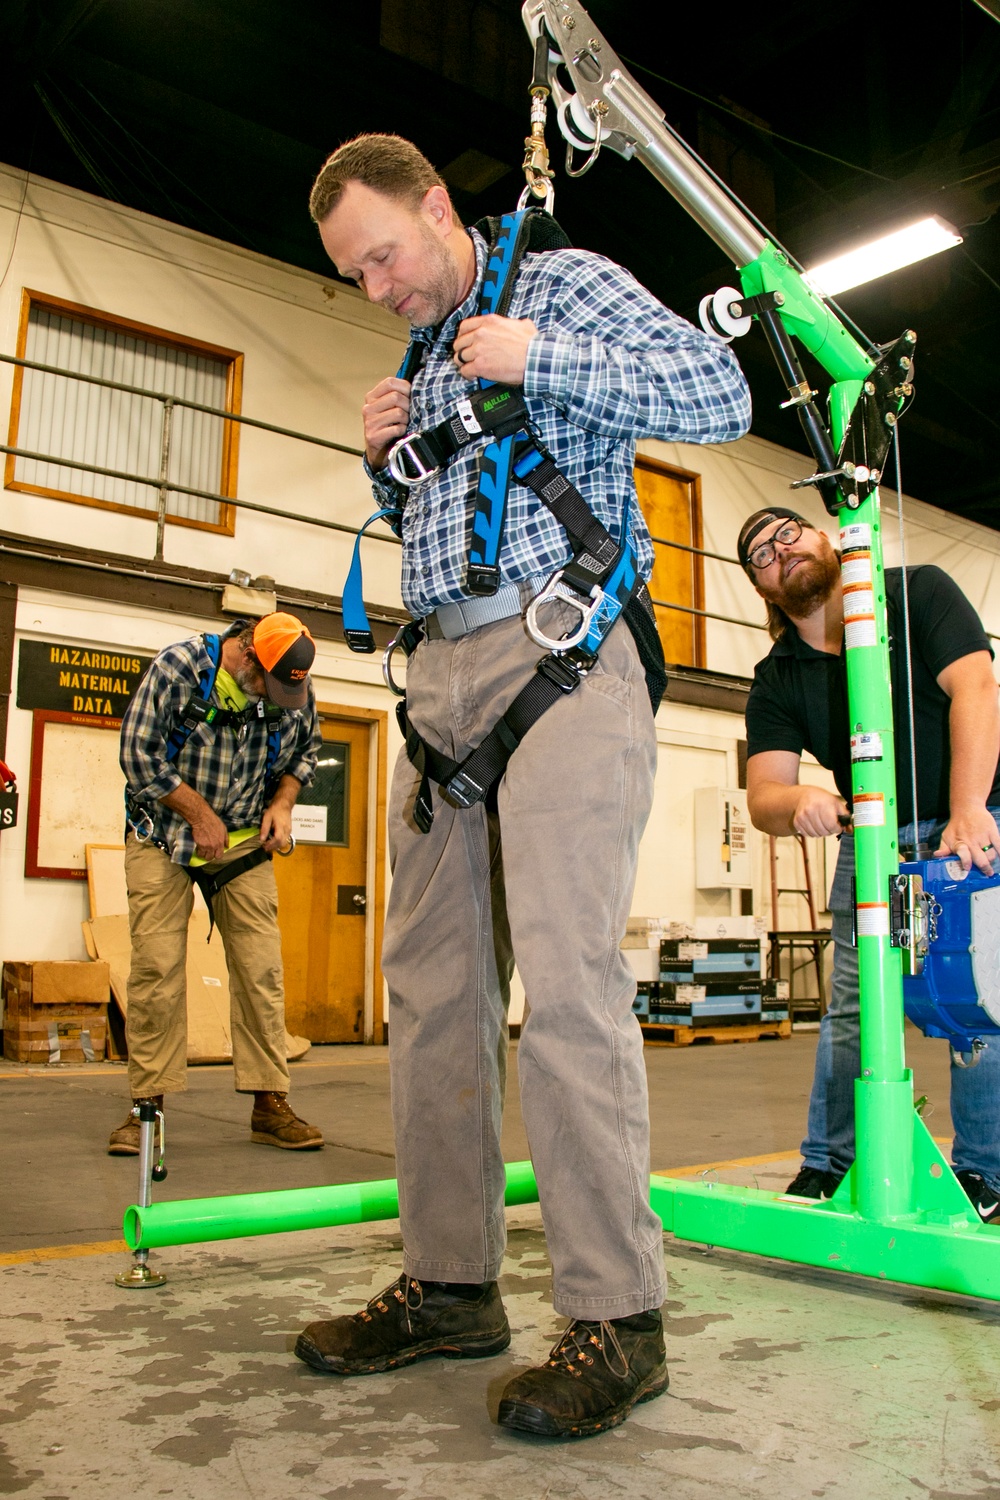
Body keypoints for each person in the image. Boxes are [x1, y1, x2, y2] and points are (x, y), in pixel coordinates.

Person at [293, 133, 751, 1440]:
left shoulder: (564, 285)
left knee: (568, 984)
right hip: (441, 676)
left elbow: (717, 395)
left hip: (563, 652)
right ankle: (450, 1284)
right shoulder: (421, 352)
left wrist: (540, 357)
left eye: (384, 254)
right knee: (431, 995)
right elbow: (446, 504)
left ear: (441, 207)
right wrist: (386, 456)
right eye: (353, 272)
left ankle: (620, 1317)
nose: (375, 286)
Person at [740, 506, 1000, 1216]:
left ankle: (986, 1176)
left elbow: (976, 689)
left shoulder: (917, 593)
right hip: (873, 839)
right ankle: (831, 1166)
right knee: (855, 1008)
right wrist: (796, 803)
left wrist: (969, 807)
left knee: (979, 1000)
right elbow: (762, 791)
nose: (780, 550)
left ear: (828, 538)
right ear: (762, 591)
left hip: (971, 822)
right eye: (760, 554)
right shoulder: (777, 677)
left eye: (789, 531)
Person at [109, 612, 324, 1155]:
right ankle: (147, 1109)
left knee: (261, 970)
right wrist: (199, 814)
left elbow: (306, 751)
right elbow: (138, 756)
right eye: (268, 685)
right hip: (165, 835)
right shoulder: (179, 668)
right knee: (157, 968)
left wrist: (282, 803)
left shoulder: (292, 681)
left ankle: (269, 1102)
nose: (277, 697)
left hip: (245, 839)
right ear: (247, 653)